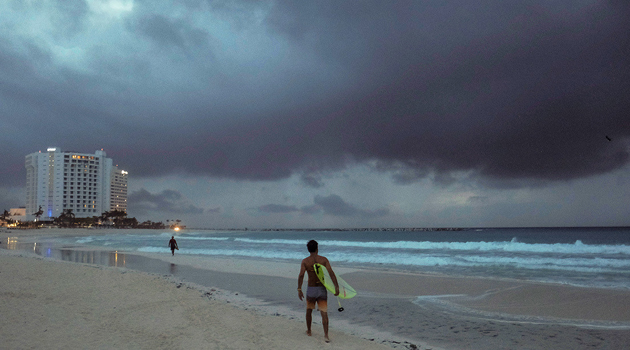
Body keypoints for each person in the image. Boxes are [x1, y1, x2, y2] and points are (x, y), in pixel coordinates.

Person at [297, 240, 339, 343]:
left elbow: (301, 275)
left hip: (311, 289)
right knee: (324, 312)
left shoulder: (305, 261)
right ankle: (326, 335)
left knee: (309, 310)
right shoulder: (323, 260)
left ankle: (309, 330)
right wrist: (336, 287)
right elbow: (331, 273)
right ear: (317, 248)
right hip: (321, 289)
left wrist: (299, 289)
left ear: (308, 249)